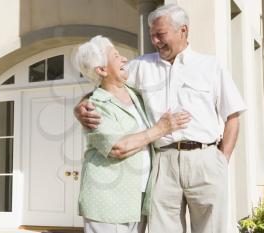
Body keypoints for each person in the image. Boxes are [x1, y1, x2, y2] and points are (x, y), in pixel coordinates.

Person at [74, 4, 246, 233]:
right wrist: (80, 106)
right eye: (152, 35)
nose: (154, 40)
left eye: (160, 34)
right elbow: (107, 84)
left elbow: (232, 115)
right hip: (163, 162)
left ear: (182, 31)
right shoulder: (141, 66)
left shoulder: (211, 66)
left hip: (205, 159)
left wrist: (221, 161)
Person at [72, 35, 191, 233]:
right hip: (107, 199)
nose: (124, 59)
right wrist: (161, 129)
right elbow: (117, 148)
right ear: (101, 70)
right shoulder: (95, 105)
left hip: (138, 197)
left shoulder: (134, 93)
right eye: (116, 56)